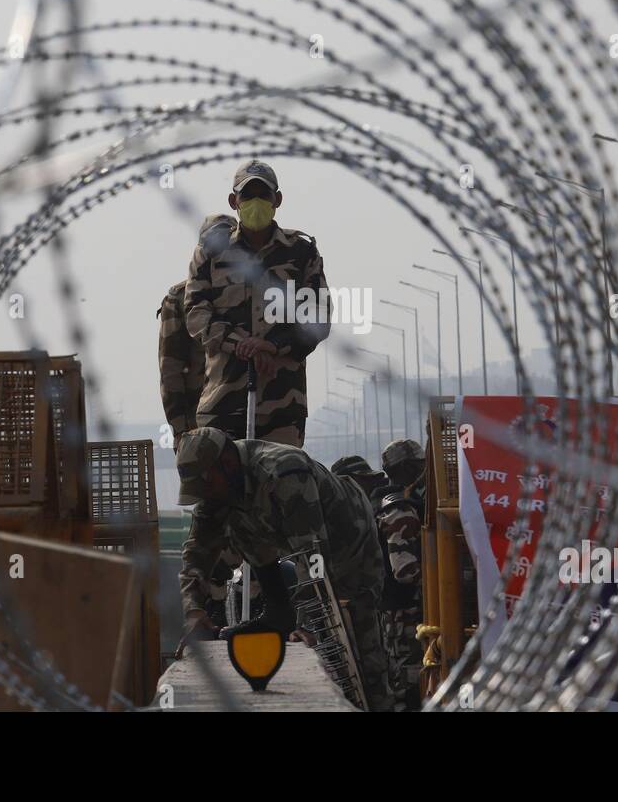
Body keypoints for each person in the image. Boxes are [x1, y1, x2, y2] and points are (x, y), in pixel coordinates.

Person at [176, 427, 392, 711]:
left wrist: (306, 624)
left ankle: (379, 705)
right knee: (235, 521)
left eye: (207, 486)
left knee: (359, 648)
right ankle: (279, 610)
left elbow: (312, 557)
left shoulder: (284, 472)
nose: (206, 496)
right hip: (295, 541)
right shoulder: (217, 490)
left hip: (350, 543)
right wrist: (194, 611)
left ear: (227, 464)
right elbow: (196, 555)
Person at [183, 160, 329, 446]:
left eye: (264, 195)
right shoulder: (212, 253)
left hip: (282, 407)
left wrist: (273, 345)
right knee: (222, 488)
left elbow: (318, 318)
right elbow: (196, 314)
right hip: (223, 403)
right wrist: (241, 344)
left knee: (283, 487)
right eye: (248, 196)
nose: (256, 202)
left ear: (278, 200)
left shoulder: (301, 253)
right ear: (233, 201)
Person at [157, 214, 236, 449]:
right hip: (200, 421)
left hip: (245, 414)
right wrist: (181, 431)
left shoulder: (250, 292)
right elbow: (170, 371)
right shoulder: (181, 298)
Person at [376, 439, 427, 711]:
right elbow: (405, 571)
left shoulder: (406, 504)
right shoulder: (400, 509)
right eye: (420, 464)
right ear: (406, 468)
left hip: (404, 611)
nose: (425, 469)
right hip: (405, 612)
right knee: (409, 682)